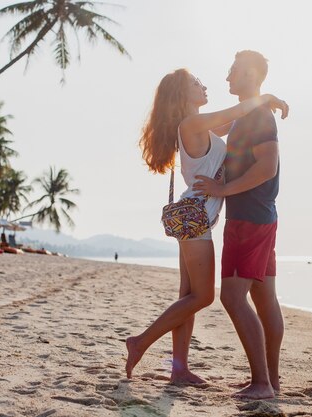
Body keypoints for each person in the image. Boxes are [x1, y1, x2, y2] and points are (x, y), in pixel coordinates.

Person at [126, 68, 288, 385]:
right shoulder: (192, 124)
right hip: (197, 221)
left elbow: (238, 120)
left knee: (188, 295)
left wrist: (263, 106)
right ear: (183, 95)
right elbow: (240, 111)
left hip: (195, 219)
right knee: (202, 297)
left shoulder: (201, 126)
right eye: (195, 83)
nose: (203, 85)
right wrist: (266, 97)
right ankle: (141, 341)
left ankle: (179, 369)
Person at [192, 50, 285, 399]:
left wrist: (222, 189)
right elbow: (208, 127)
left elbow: (267, 167)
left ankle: (262, 382)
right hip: (260, 215)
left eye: (233, 71)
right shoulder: (249, 115)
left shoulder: (259, 116)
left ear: (249, 73)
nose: (228, 78)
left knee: (232, 296)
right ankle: (270, 381)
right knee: (264, 298)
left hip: (249, 217)